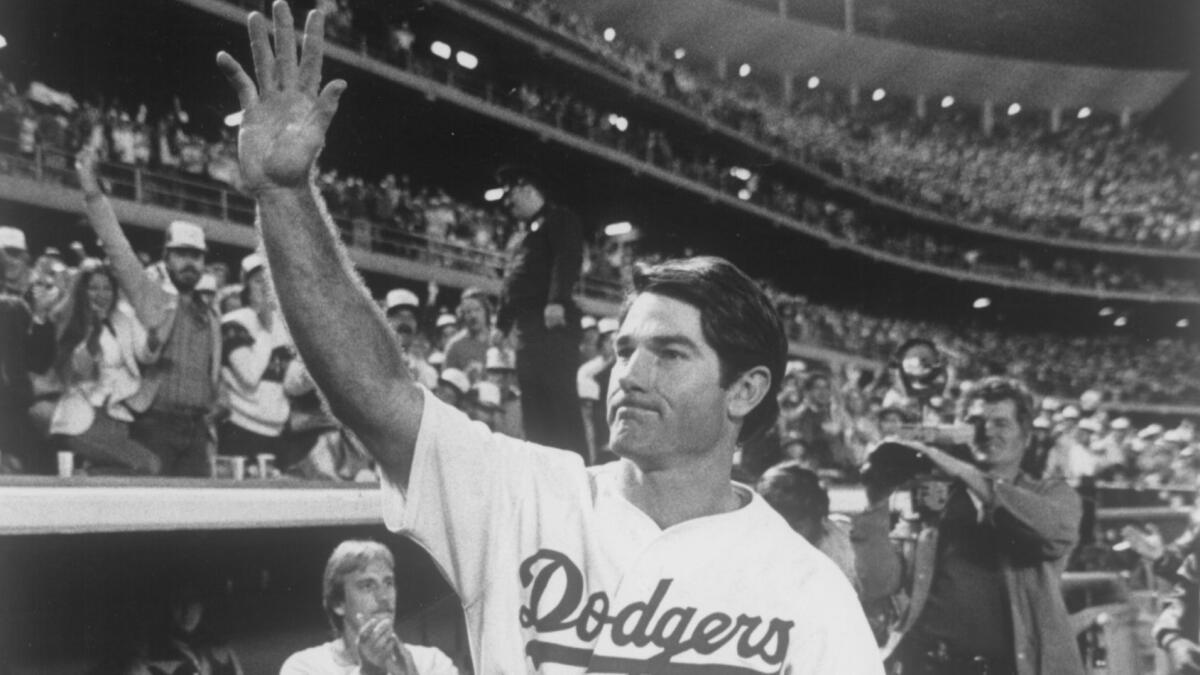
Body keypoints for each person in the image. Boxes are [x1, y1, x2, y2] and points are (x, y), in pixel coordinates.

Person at [215, 5, 881, 671]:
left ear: (745, 389)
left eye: (670, 353)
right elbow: (380, 399)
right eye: (624, 349)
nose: (631, 373)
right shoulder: (526, 496)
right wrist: (285, 197)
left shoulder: (808, 589)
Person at [853, 376, 1084, 675]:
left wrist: (960, 470)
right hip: (928, 665)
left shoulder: (1051, 494)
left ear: (1025, 436)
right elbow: (878, 583)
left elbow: (1052, 534)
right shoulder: (934, 496)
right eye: (975, 422)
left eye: (1000, 423)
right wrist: (877, 499)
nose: (986, 432)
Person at [76, 145, 221, 476]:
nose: (189, 262)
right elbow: (117, 246)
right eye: (181, 254)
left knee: (199, 521)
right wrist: (92, 193)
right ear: (167, 257)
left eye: (196, 255)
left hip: (197, 430)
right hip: (155, 424)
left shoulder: (210, 314)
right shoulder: (149, 292)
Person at [491, 163, 586, 456]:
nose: (509, 205)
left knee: (559, 403)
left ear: (528, 189)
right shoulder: (523, 235)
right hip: (527, 331)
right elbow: (514, 282)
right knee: (534, 405)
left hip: (551, 327)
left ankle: (577, 473)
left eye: (512, 196)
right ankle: (542, 475)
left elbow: (566, 258)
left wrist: (556, 299)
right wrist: (502, 323)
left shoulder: (559, 219)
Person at [40, 260, 161, 475]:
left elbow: (145, 352)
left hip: (116, 416)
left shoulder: (124, 319)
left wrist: (153, 339)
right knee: (147, 466)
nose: (101, 294)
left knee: (145, 469)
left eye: (107, 288)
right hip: (82, 420)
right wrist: (94, 327)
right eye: (94, 288)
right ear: (82, 291)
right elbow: (82, 368)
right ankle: (84, 479)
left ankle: (85, 477)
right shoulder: (72, 323)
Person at [280, 540, 459, 675]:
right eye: (367, 585)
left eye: (388, 583)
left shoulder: (432, 662)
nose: (384, 597)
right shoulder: (304, 667)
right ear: (338, 603)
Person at [218, 253, 300, 467]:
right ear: (246, 287)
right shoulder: (233, 322)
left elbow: (291, 385)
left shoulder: (284, 331)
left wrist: (313, 369)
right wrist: (266, 329)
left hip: (277, 434)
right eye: (259, 281)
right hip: (239, 430)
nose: (267, 287)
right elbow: (249, 376)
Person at [757, 461, 860, 593]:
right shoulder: (758, 557)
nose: (787, 536)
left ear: (818, 514)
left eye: (796, 526)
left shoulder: (847, 538)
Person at [441, 288, 489, 381]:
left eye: (477, 309)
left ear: (486, 311)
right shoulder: (455, 345)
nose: (473, 316)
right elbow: (447, 383)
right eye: (468, 312)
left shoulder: (497, 341)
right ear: (463, 315)